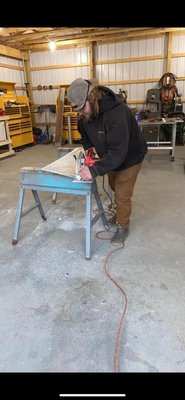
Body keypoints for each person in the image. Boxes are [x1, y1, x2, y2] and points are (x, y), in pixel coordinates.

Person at [67, 78, 147, 245]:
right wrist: (90, 150)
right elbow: (84, 135)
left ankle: (123, 226)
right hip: (111, 154)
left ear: (91, 98)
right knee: (113, 184)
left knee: (122, 193)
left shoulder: (117, 113)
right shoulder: (84, 115)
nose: (80, 114)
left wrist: (94, 170)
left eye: (82, 109)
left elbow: (119, 152)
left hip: (131, 155)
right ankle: (119, 215)